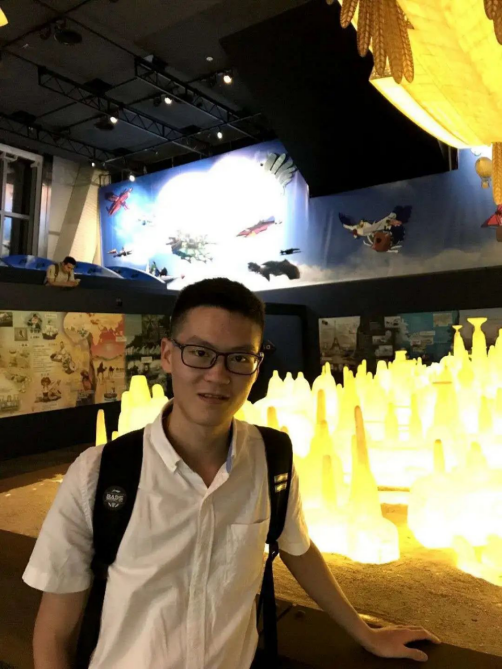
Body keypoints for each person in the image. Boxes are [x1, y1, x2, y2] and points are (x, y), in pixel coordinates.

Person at [23, 278, 439, 669]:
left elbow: (297, 548)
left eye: (239, 358)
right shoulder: (99, 474)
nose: (218, 375)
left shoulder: (271, 460)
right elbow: (54, 633)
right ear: (168, 354)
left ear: (256, 366)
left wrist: (366, 634)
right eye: (200, 352)